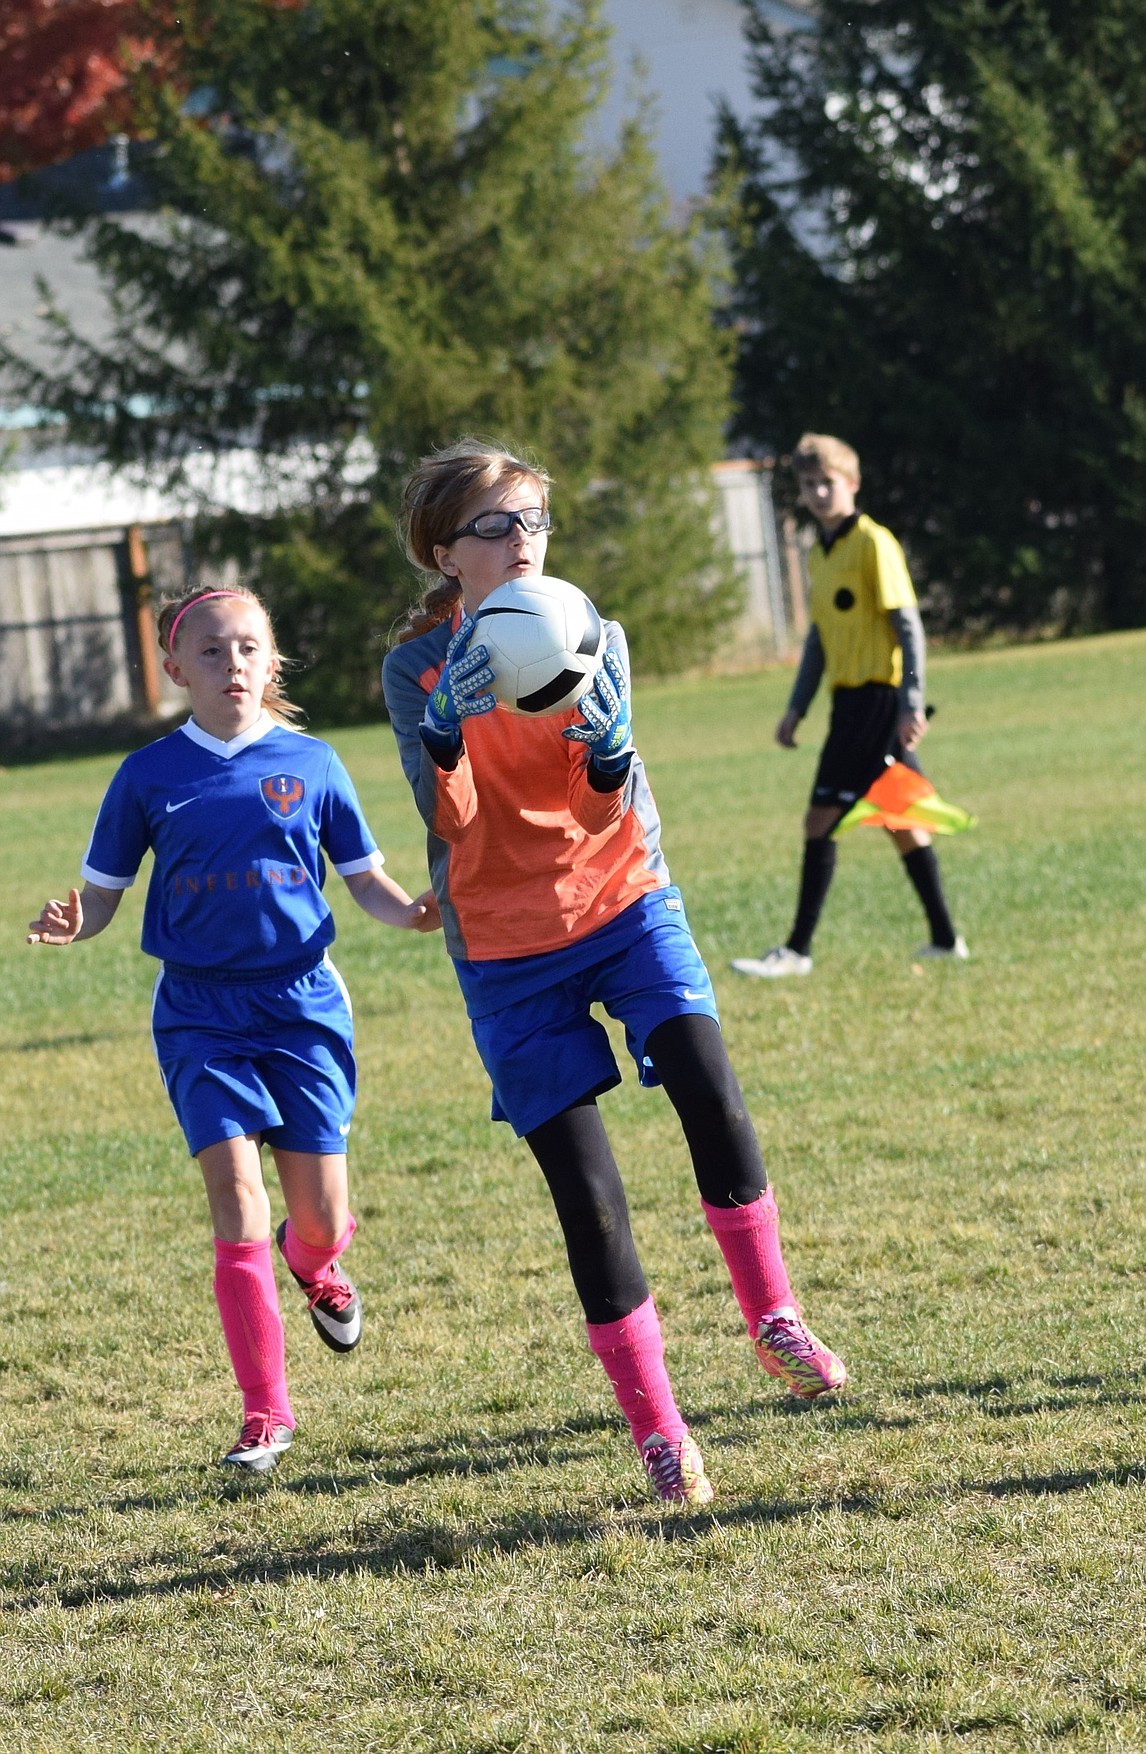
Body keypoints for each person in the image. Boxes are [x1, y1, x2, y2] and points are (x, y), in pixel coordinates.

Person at [383, 438, 847, 1509]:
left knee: (708, 1084)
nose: (524, 542)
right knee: (590, 1201)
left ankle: (774, 1314)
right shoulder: (414, 669)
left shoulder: (598, 634)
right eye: (498, 526)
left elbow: (602, 807)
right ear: (447, 551)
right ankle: (660, 1431)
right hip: (503, 946)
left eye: (536, 519)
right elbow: (447, 822)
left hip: (625, 898)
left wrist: (608, 752)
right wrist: (448, 732)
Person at [27, 585, 439, 1474]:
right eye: (210, 653)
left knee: (318, 1217)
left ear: (273, 661)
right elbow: (102, 892)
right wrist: (77, 922)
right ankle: (266, 1415)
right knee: (235, 1201)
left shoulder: (314, 762)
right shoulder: (147, 775)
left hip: (302, 1007)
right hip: (199, 1013)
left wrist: (411, 912)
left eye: (249, 648)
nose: (233, 666)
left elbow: (364, 878)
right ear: (175, 670)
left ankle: (316, 1261)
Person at [731, 432, 968, 979]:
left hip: (877, 704)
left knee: (820, 821)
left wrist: (911, 702)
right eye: (809, 484)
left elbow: (909, 628)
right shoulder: (820, 552)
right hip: (847, 703)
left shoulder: (873, 543)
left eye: (827, 482)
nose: (818, 492)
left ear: (853, 484)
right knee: (901, 820)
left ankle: (796, 950)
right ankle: (946, 939)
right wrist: (797, 707)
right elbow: (819, 639)